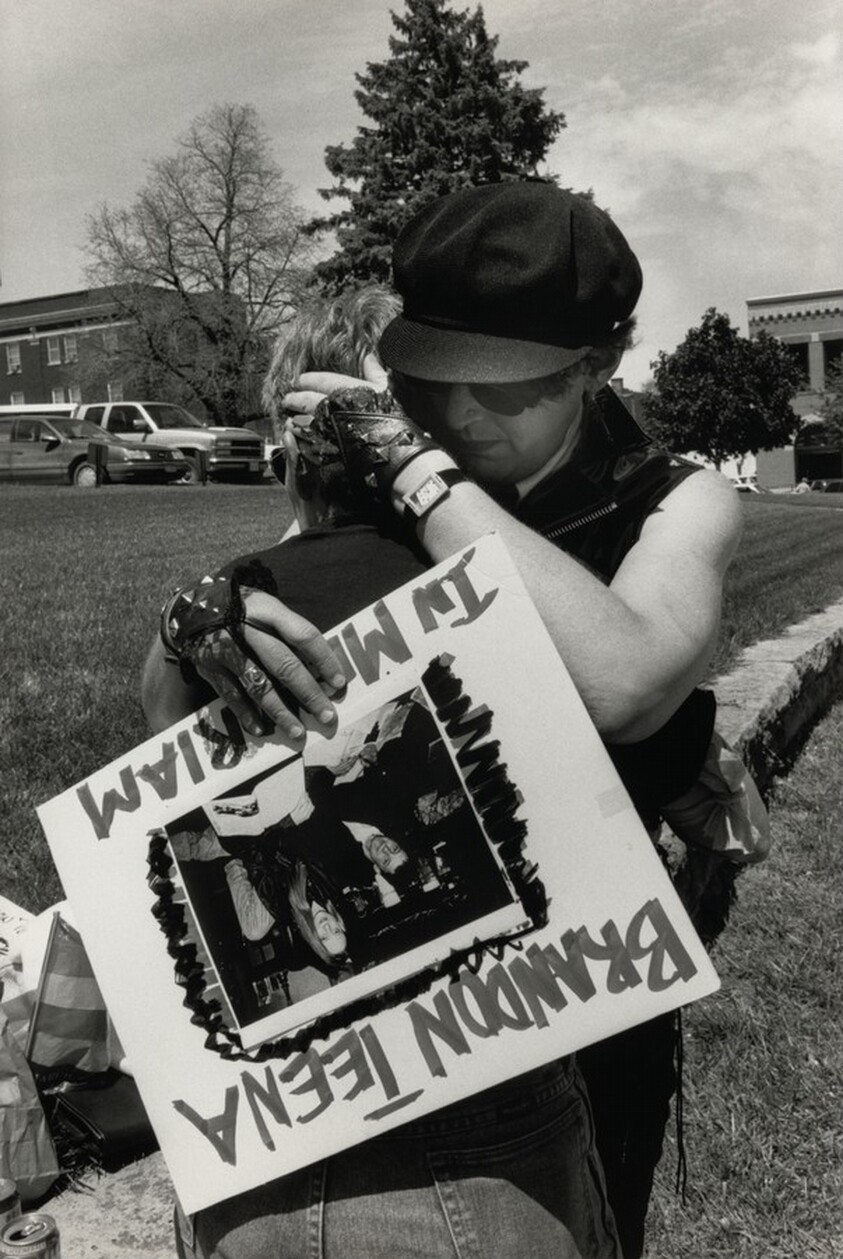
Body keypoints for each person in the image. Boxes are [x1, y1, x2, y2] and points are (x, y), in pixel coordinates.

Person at [143, 182, 756, 1257]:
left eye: (506, 391)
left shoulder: (671, 497)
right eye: (433, 377)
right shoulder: (397, 466)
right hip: (361, 1028)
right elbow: (178, 719)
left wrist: (417, 474)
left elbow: (626, 680)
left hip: (575, 1002)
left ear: (600, 364)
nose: (462, 415)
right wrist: (201, 623)